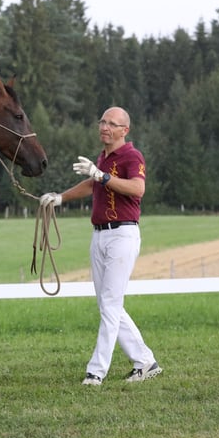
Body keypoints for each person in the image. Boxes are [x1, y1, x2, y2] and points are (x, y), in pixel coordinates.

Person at [40, 106, 162, 386]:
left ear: (124, 130)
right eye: (102, 122)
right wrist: (60, 198)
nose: (104, 127)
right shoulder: (103, 158)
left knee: (109, 304)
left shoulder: (132, 156)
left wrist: (102, 176)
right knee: (109, 305)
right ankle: (145, 361)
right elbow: (91, 185)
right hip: (100, 235)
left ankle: (96, 371)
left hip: (122, 235)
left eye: (111, 123)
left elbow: (137, 189)